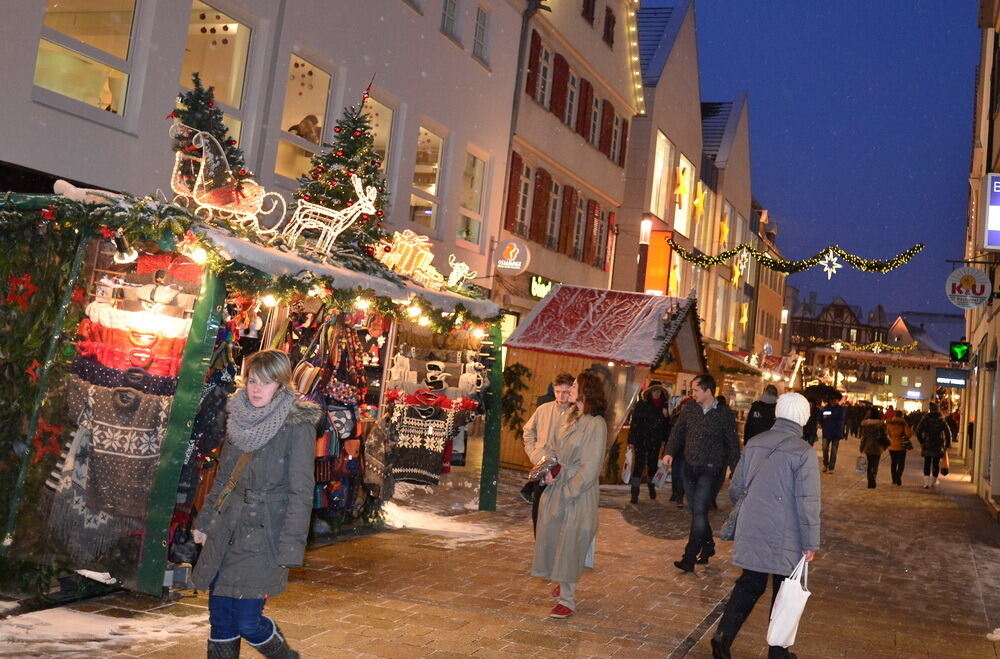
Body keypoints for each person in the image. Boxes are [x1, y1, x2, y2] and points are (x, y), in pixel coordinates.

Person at [192, 350, 321, 658]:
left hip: (266, 535)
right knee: (220, 618)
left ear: (281, 385)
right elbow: (224, 479)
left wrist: (290, 546)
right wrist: (206, 521)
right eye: (252, 380)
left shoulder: (296, 424)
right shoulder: (238, 416)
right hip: (227, 529)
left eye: (266, 382)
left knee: (248, 621)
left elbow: (301, 491)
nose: (256, 389)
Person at [710, 392, 820, 659]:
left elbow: (735, 489)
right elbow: (808, 501)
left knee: (750, 582)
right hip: (787, 532)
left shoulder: (756, 442)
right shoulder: (803, 451)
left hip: (753, 525)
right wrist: (811, 542)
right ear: (803, 417)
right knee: (784, 589)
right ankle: (777, 652)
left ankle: (723, 636)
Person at [531, 371, 608, 619]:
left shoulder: (595, 424)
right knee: (554, 538)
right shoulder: (571, 416)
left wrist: (568, 491)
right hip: (559, 484)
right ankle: (562, 582)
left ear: (586, 390)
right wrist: (549, 472)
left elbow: (591, 467)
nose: (571, 389)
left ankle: (567, 599)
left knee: (570, 543)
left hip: (578, 493)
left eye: (575, 385)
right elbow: (556, 449)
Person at [664, 374, 739, 571]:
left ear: (707, 390)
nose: (692, 393)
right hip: (689, 468)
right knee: (697, 512)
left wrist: (737, 470)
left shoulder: (724, 414)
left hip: (711, 470)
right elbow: (678, 432)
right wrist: (669, 452)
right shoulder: (690, 408)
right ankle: (708, 547)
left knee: (698, 511)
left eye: (696, 390)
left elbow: (732, 444)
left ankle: (689, 558)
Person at [520, 373, 575, 531]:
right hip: (542, 465)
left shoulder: (576, 414)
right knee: (538, 513)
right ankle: (540, 547)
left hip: (563, 471)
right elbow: (528, 432)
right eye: (558, 391)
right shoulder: (543, 409)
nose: (561, 396)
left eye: (565, 392)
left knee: (557, 516)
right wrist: (533, 454)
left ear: (571, 390)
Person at [627, 381, 671, 504]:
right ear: (650, 392)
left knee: (652, 465)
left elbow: (667, 427)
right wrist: (631, 440)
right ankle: (634, 492)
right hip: (641, 440)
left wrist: (666, 417)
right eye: (654, 391)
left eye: (658, 391)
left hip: (655, 441)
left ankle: (651, 487)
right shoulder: (642, 404)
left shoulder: (664, 406)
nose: (656, 393)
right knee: (638, 466)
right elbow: (634, 423)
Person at [915, 403, 952, 489]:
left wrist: (922, 441)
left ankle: (926, 482)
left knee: (927, 463)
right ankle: (934, 481)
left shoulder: (925, 419)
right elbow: (948, 433)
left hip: (927, 443)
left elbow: (918, 431)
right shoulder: (941, 420)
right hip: (938, 444)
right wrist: (947, 444)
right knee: (936, 463)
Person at [859, 408, 889, 489]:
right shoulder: (881, 424)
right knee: (875, 464)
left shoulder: (866, 424)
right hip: (878, 446)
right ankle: (874, 479)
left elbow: (864, 436)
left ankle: (870, 480)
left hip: (868, 446)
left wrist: (861, 446)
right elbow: (885, 434)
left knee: (869, 464)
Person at [885, 412, 913, 486]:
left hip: (892, 446)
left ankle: (894, 479)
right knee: (901, 464)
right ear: (902, 416)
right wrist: (906, 424)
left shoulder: (890, 423)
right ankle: (898, 477)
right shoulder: (903, 423)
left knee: (893, 463)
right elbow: (909, 434)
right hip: (901, 447)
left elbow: (889, 434)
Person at [820, 397, 845, 473]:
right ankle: (825, 464)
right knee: (824, 449)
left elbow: (840, 417)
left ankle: (831, 467)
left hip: (836, 433)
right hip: (826, 431)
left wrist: (829, 417)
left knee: (834, 451)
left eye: (835, 399)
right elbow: (822, 417)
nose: (833, 401)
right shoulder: (826, 408)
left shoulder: (841, 409)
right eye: (832, 399)